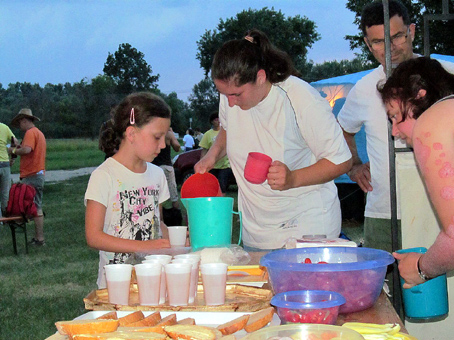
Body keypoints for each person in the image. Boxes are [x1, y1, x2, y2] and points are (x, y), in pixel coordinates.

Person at [195, 29, 352, 251]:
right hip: (256, 233)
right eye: (224, 94)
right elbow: (228, 130)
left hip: (306, 231)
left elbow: (341, 161)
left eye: (236, 95)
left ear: (260, 77)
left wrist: (292, 178)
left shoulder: (300, 98)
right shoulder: (230, 94)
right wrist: (211, 156)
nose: (230, 103)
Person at [337, 0, 454, 253]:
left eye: (397, 36)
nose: (389, 48)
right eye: (378, 41)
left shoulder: (445, 74)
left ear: (412, 31)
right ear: (368, 45)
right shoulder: (365, 88)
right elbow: (342, 129)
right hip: (384, 211)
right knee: (383, 287)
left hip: (438, 208)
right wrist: (354, 166)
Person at [378, 57, 454, 287]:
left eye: (394, 116)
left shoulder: (432, 122)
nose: (394, 131)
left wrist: (420, 268)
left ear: (420, 96)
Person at [84, 92, 172, 288]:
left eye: (165, 137)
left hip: (154, 280)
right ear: (131, 133)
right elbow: (93, 236)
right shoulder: (104, 176)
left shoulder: (157, 175)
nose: (163, 145)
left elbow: (157, 224)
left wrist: (174, 238)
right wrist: (143, 246)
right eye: (157, 137)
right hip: (116, 286)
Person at [9, 109, 46, 246]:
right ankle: (38, 237)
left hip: (32, 174)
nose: (20, 126)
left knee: (34, 207)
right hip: (38, 173)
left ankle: (40, 239)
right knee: (36, 205)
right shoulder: (39, 133)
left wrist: (12, 150)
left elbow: (27, 150)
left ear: (25, 120)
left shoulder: (30, 133)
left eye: (20, 123)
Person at [199, 112, 233, 195]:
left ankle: (221, 202)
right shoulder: (207, 134)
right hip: (212, 166)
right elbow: (204, 150)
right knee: (212, 186)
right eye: (215, 119)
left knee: (222, 186)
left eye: (219, 118)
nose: (217, 121)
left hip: (224, 165)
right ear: (211, 121)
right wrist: (202, 162)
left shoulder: (226, 132)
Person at [152, 127, 181, 209]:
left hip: (153, 166)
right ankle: (176, 216)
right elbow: (177, 147)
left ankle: (159, 218)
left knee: (156, 195)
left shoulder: (151, 132)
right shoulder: (167, 134)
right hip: (166, 166)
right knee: (173, 195)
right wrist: (172, 135)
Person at [0, 123, 18, 217]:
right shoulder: (4, 127)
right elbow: (15, 142)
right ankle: (6, 216)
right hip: (5, 164)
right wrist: (13, 158)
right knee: (5, 193)